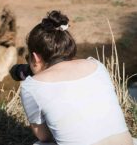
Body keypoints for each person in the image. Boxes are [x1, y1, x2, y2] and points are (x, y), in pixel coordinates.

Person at [20, 10, 133, 145]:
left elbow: (44, 136)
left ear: (36, 57)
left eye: (28, 58)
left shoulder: (31, 86)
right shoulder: (96, 66)